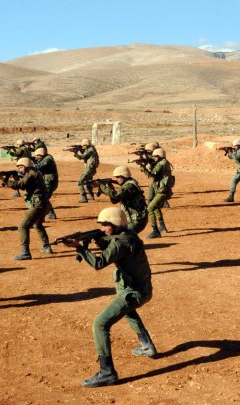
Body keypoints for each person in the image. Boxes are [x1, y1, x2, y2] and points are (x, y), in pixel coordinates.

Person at [62, 207, 156, 388]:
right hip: (142, 289)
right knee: (128, 313)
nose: (103, 228)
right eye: (101, 225)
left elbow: (98, 263)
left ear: (116, 224)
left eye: (106, 225)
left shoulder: (119, 243)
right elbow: (118, 249)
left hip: (133, 293)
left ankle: (107, 372)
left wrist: (79, 248)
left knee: (100, 324)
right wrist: (102, 243)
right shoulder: (129, 235)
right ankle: (147, 346)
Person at [4, 157, 51, 260]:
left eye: (21, 167)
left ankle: (25, 252)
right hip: (45, 204)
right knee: (37, 224)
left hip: (38, 205)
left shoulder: (31, 174)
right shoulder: (34, 173)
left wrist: (5, 180)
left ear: (26, 166)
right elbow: (25, 185)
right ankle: (47, 246)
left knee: (22, 226)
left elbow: (20, 185)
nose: (19, 170)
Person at [98, 165, 148, 234]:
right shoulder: (125, 185)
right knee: (114, 232)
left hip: (138, 220)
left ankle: (134, 242)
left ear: (124, 176)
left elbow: (116, 196)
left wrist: (102, 187)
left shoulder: (130, 186)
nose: (117, 179)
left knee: (121, 235)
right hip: (132, 219)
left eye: (118, 177)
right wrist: (110, 187)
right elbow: (114, 201)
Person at [141, 148, 173, 239]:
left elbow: (151, 175)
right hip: (161, 190)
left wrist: (143, 167)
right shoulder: (163, 162)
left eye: (155, 157)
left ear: (160, 156)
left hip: (162, 191)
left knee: (150, 208)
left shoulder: (161, 164)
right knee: (155, 208)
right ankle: (162, 227)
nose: (154, 158)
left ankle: (155, 231)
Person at [31, 146, 57, 219]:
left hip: (50, 183)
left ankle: (49, 213)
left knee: (43, 198)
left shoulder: (48, 159)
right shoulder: (45, 158)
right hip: (48, 181)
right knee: (43, 198)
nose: (37, 157)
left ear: (41, 155)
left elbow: (39, 166)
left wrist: (31, 163)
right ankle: (50, 213)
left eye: (38, 156)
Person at [74, 138, 99, 203]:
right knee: (87, 182)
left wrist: (75, 153)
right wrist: (79, 149)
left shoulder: (90, 150)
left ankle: (84, 197)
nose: (83, 147)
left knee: (80, 182)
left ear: (86, 145)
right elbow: (85, 154)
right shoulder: (91, 149)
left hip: (89, 169)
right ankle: (91, 195)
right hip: (91, 169)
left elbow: (81, 157)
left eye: (83, 146)